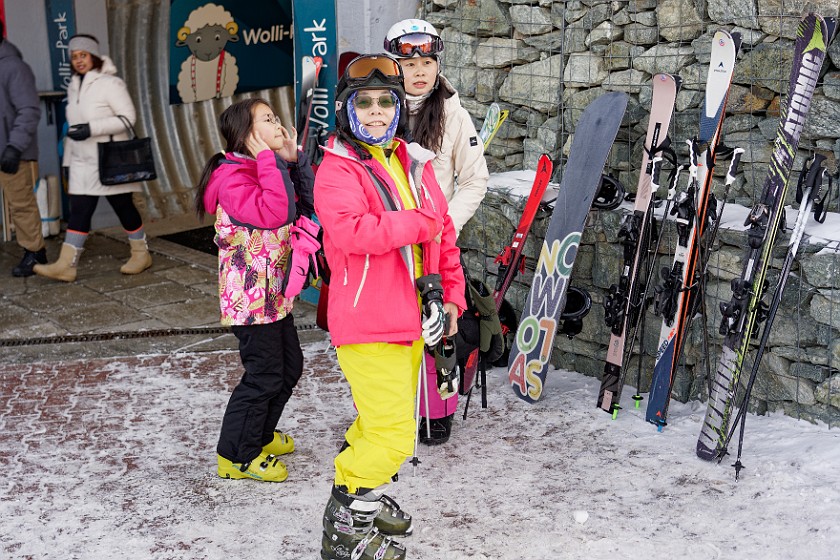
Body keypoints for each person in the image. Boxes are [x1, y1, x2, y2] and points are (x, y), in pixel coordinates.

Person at [314, 54, 466, 559]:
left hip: (413, 319)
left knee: (375, 423)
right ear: (346, 109)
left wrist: (453, 297)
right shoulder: (337, 168)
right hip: (369, 321)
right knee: (395, 436)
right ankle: (346, 528)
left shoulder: (412, 161)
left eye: (386, 102)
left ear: (399, 108)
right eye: (365, 102)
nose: (376, 111)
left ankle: (360, 495)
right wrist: (418, 223)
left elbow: (444, 238)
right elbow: (351, 231)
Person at [194, 98, 314, 482]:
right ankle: (236, 455)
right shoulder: (233, 178)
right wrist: (268, 161)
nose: (278, 124)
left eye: (276, 117)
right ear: (246, 135)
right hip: (250, 300)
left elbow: (305, 206)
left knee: (289, 368)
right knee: (264, 376)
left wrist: (294, 162)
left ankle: (258, 434)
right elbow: (276, 213)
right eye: (267, 119)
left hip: (273, 296)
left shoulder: (266, 166)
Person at [385, 18, 490, 445]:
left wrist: (445, 225)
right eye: (410, 64)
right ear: (394, 66)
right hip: (389, 241)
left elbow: (475, 179)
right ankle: (386, 413)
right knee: (390, 330)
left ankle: (436, 411)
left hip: (433, 243)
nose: (420, 71)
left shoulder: (452, 114)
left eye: (427, 63)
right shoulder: (377, 108)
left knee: (439, 324)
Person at [34, 34, 151, 282]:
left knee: (123, 206)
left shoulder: (111, 83)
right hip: (81, 162)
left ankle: (141, 254)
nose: (78, 60)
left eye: (83, 55)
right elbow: (74, 128)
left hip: (109, 160)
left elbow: (128, 118)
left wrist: (92, 129)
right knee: (79, 211)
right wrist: (67, 163)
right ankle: (66, 265)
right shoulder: (74, 85)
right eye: (74, 56)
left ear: (94, 56)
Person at [0, 19, 46, 277]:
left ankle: (35, 253)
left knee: (21, 205)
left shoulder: (15, 67)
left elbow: (28, 110)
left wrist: (14, 147)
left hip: (12, 153)